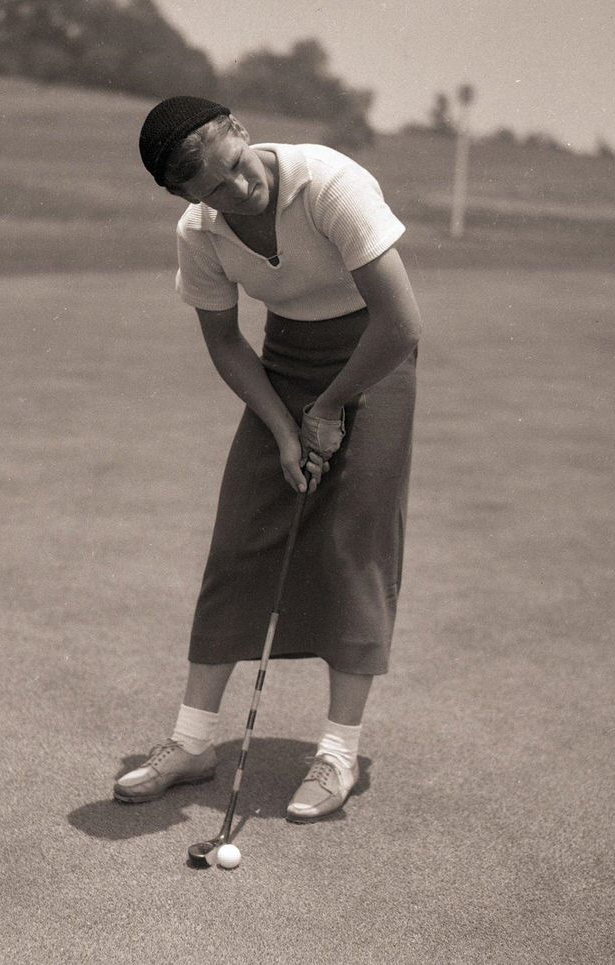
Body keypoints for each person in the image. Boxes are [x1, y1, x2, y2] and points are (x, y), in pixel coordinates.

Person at [113, 96, 421, 822]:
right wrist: (287, 428)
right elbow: (225, 343)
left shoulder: (328, 184)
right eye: (213, 190)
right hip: (283, 366)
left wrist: (328, 408)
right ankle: (192, 743)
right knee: (239, 540)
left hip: (375, 361)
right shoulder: (200, 234)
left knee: (355, 545)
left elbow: (402, 323)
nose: (238, 191)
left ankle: (338, 753)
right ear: (187, 199)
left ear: (243, 134)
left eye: (237, 168)